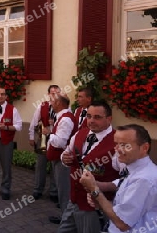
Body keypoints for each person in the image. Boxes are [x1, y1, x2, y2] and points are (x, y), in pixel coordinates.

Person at [80, 124, 157, 233]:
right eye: (116, 144)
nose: (117, 149)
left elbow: (122, 222)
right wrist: (97, 186)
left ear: (144, 148)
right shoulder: (134, 169)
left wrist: (95, 191)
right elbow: (122, 186)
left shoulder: (143, 179)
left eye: (125, 145)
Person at [58, 100, 119, 232]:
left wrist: (102, 186)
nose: (91, 120)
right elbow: (67, 151)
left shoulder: (118, 143)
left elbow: (127, 179)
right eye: (89, 116)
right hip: (73, 201)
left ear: (109, 119)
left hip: (95, 208)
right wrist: (64, 158)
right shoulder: (80, 134)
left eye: (97, 117)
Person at [46, 93, 78, 225]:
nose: (51, 104)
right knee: (62, 188)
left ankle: (67, 220)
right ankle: (66, 216)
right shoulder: (63, 117)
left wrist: (50, 134)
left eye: (52, 101)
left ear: (59, 103)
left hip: (62, 160)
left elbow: (60, 142)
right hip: (59, 159)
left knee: (64, 189)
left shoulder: (65, 119)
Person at [28, 85, 60, 202]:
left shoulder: (64, 107)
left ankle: (53, 191)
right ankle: (37, 190)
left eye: (57, 93)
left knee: (54, 166)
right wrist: (31, 136)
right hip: (43, 139)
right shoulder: (42, 106)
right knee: (40, 166)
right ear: (48, 94)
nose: (55, 95)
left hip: (57, 140)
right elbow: (34, 121)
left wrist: (54, 123)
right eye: (52, 93)